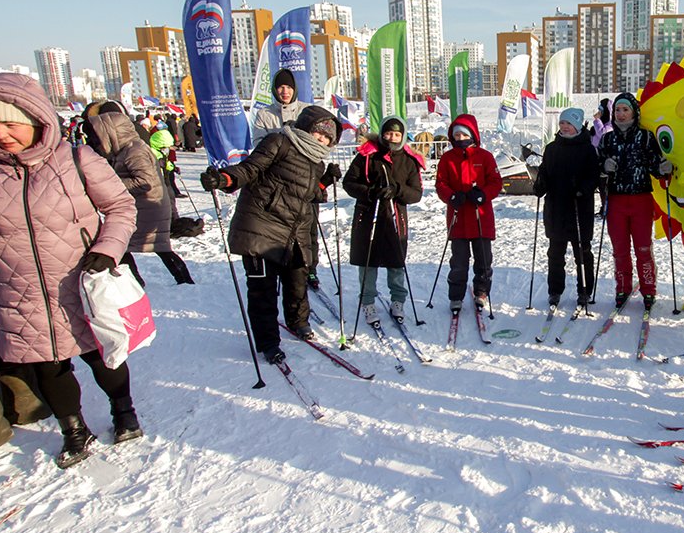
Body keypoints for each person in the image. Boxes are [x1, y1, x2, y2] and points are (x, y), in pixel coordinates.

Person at [0, 73, 143, 468]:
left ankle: (123, 410)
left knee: (103, 356)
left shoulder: (76, 159)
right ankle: (74, 429)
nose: (0, 134)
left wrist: (108, 249)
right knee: (48, 365)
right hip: (19, 286)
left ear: (34, 119)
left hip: (81, 280)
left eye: (10, 124)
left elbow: (120, 207)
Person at [201, 105, 341, 364]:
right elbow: (249, 169)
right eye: (318, 133)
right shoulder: (280, 142)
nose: (320, 140)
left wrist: (324, 183)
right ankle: (268, 342)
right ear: (306, 127)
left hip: (294, 232)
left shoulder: (316, 162)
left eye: (326, 138)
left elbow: (307, 195)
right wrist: (224, 179)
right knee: (262, 291)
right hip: (262, 226)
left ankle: (298, 322)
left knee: (297, 281)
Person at [83, 110, 194, 286]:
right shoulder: (126, 150)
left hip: (149, 209)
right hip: (145, 207)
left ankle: (139, 284)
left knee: (125, 245)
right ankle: (178, 280)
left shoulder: (134, 151)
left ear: (111, 133)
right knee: (155, 246)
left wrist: (110, 183)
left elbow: (145, 181)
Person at [342, 116, 425, 323]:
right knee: (367, 261)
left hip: (395, 217)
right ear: (382, 133)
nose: (392, 137)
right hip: (369, 216)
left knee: (396, 262)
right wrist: (371, 191)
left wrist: (397, 190)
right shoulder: (367, 155)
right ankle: (368, 301)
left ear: (403, 135)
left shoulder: (409, 160)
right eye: (388, 133)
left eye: (397, 134)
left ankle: (398, 300)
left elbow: (416, 194)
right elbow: (349, 182)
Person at [599, 92, 670, 310]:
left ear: (634, 112)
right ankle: (623, 287)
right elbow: (598, 165)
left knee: (643, 247)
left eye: (625, 109)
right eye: (617, 110)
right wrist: (604, 167)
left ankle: (649, 289)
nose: (621, 114)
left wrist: (663, 169)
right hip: (617, 200)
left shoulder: (646, 137)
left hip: (640, 199)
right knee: (619, 247)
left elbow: (655, 166)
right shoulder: (607, 139)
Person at [434, 114, 502, 314]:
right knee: (459, 262)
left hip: (481, 217)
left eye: (464, 134)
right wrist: (451, 196)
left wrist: (483, 194)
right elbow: (441, 184)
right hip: (459, 219)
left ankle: (481, 291)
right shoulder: (447, 158)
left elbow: (495, 182)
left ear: (473, 134)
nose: (461, 138)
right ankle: (456, 295)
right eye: (457, 135)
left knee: (483, 259)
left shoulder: (485, 157)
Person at [533, 108, 598, 309]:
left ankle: (585, 291)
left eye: (569, 123)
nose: (565, 127)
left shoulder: (587, 149)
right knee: (555, 253)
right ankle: (555, 290)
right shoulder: (552, 148)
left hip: (579, 208)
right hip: (556, 209)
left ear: (577, 126)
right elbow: (545, 171)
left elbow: (594, 175)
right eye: (562, 123)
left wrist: (583, 189)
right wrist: (540, 184)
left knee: (582, 252)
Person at [252, 68, 307, 142]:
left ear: (294, 89)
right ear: (275, 90)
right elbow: (258, 142)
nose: (285, 91)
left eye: (289, 87)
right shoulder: (263, 114)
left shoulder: (306, 110)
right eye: (281, 87)